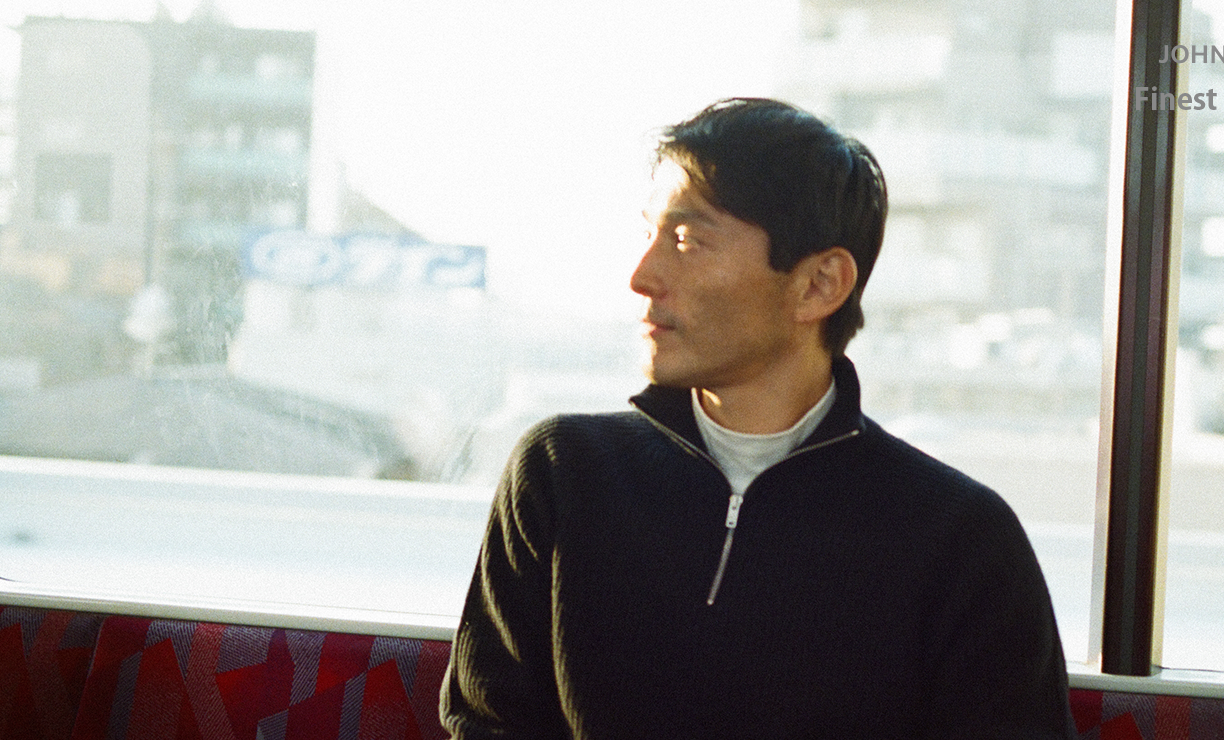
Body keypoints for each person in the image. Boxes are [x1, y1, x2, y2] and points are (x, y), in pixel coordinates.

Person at [440, 98, 1076, 739]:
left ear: (820, 285)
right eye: (650, 234)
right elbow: (487, 723)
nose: (642, 275)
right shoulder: (563, 472)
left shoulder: (959, 539)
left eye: (687, 241)